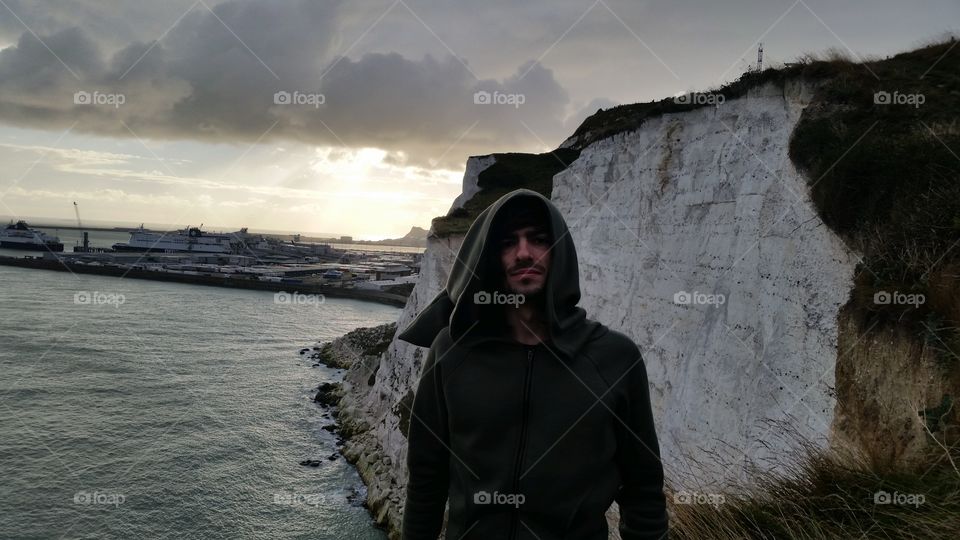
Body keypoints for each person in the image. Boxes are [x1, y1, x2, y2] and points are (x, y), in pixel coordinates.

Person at [398, 188, 668, 539]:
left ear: (560, 251)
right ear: (489, 259)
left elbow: (643, 490)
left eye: (539, 239)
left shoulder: (615, 358)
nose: (524, 253)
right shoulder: (451, 352)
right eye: (508, 242)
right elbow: (426, 479)